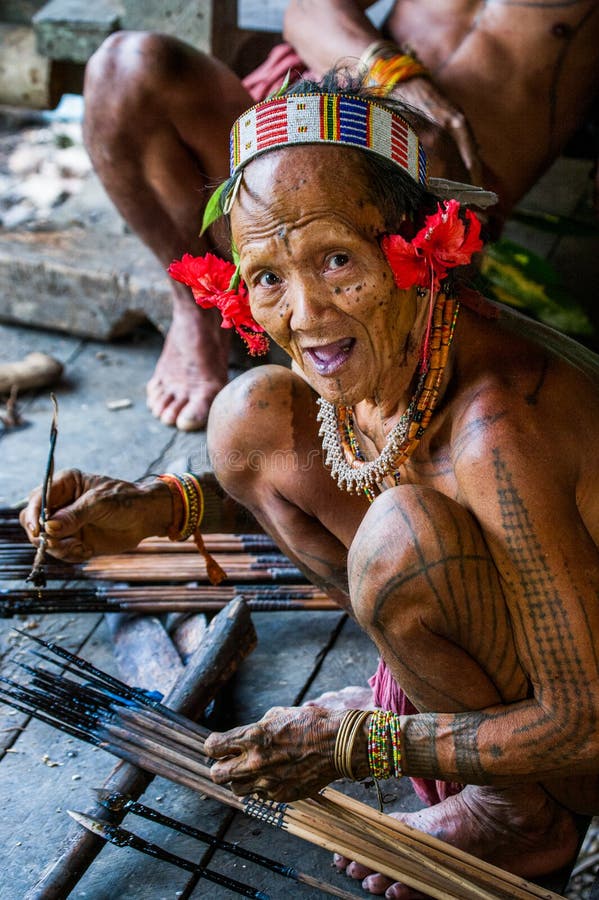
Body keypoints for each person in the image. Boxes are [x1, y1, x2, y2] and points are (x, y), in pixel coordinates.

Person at [22, 77, 599, 899]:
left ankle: (519, 812)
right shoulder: (393, 351)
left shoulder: (502, 431)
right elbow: (357, 462)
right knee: (248, 415)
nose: (306, 314)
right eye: (266, 276)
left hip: (581, 750)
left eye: (336, 261)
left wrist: (358, 748)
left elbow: (584, 726)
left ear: (416, 248)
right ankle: (436, 705)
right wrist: (156, 509)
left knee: (404, 538)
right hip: (526, 667)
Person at [82, 0, 599, 431]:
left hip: (418, 218)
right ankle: (198, 310)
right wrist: (398, 80)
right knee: (126, 66)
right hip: (298, 143)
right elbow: (306, 11)